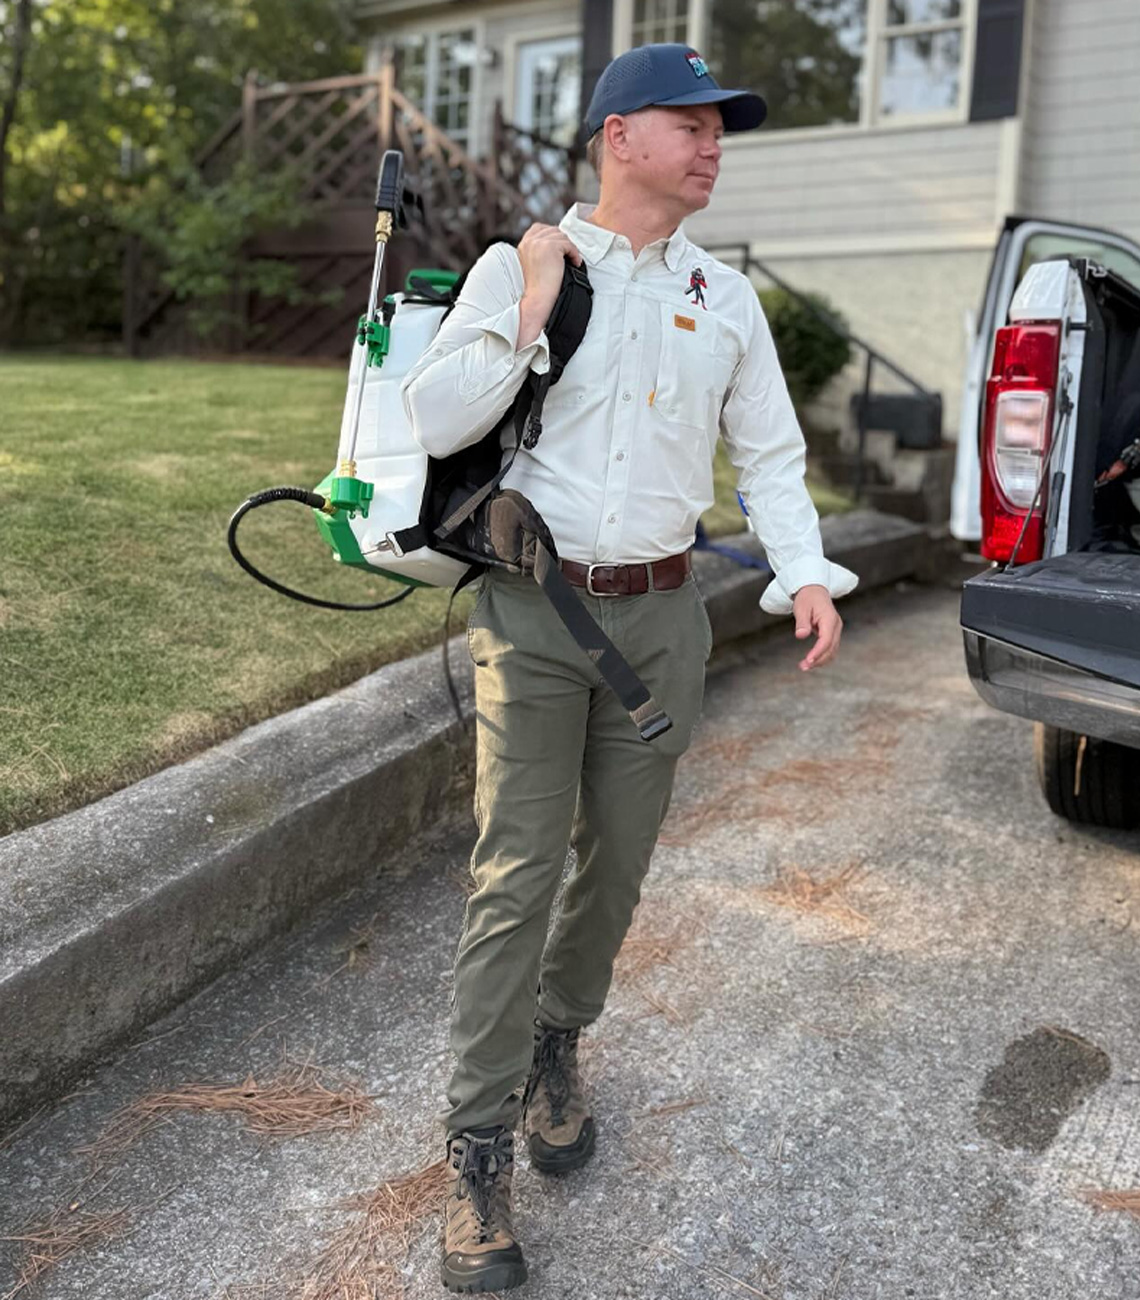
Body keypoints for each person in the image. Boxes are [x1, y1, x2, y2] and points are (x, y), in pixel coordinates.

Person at [400, 40, 860, 1294]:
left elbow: (768, 456)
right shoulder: (523, 264)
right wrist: (535, 305)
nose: (715, 143)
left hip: (665, 626)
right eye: (691, 122)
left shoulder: (725, 296)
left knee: (616, 866)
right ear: (617, 136)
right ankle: (477, 1149)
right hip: (536, 618)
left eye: (722, 128)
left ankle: (560, 1044)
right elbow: (435, 422)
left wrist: (804, 570)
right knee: (514, 872)